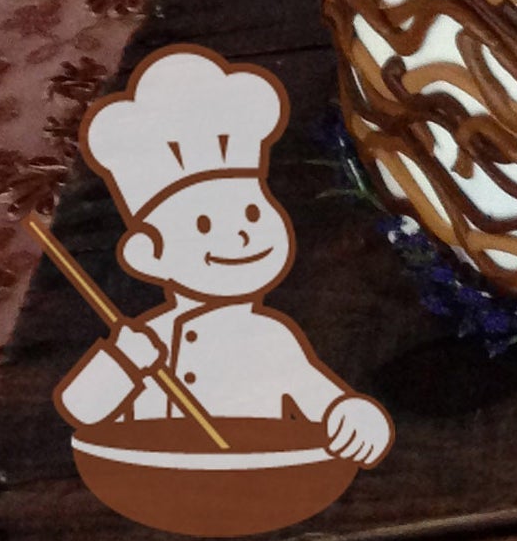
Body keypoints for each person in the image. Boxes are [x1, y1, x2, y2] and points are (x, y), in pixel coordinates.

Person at [53, 44, 392, 465]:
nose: (241, 235)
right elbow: (82, 409)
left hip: (258, 475)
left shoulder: (273, 338)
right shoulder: (148, 340)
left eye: (252, 212)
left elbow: (324, 403)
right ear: (148, 255)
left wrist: (355, 417)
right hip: (153, 478)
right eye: (203, 225)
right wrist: (123, 361)